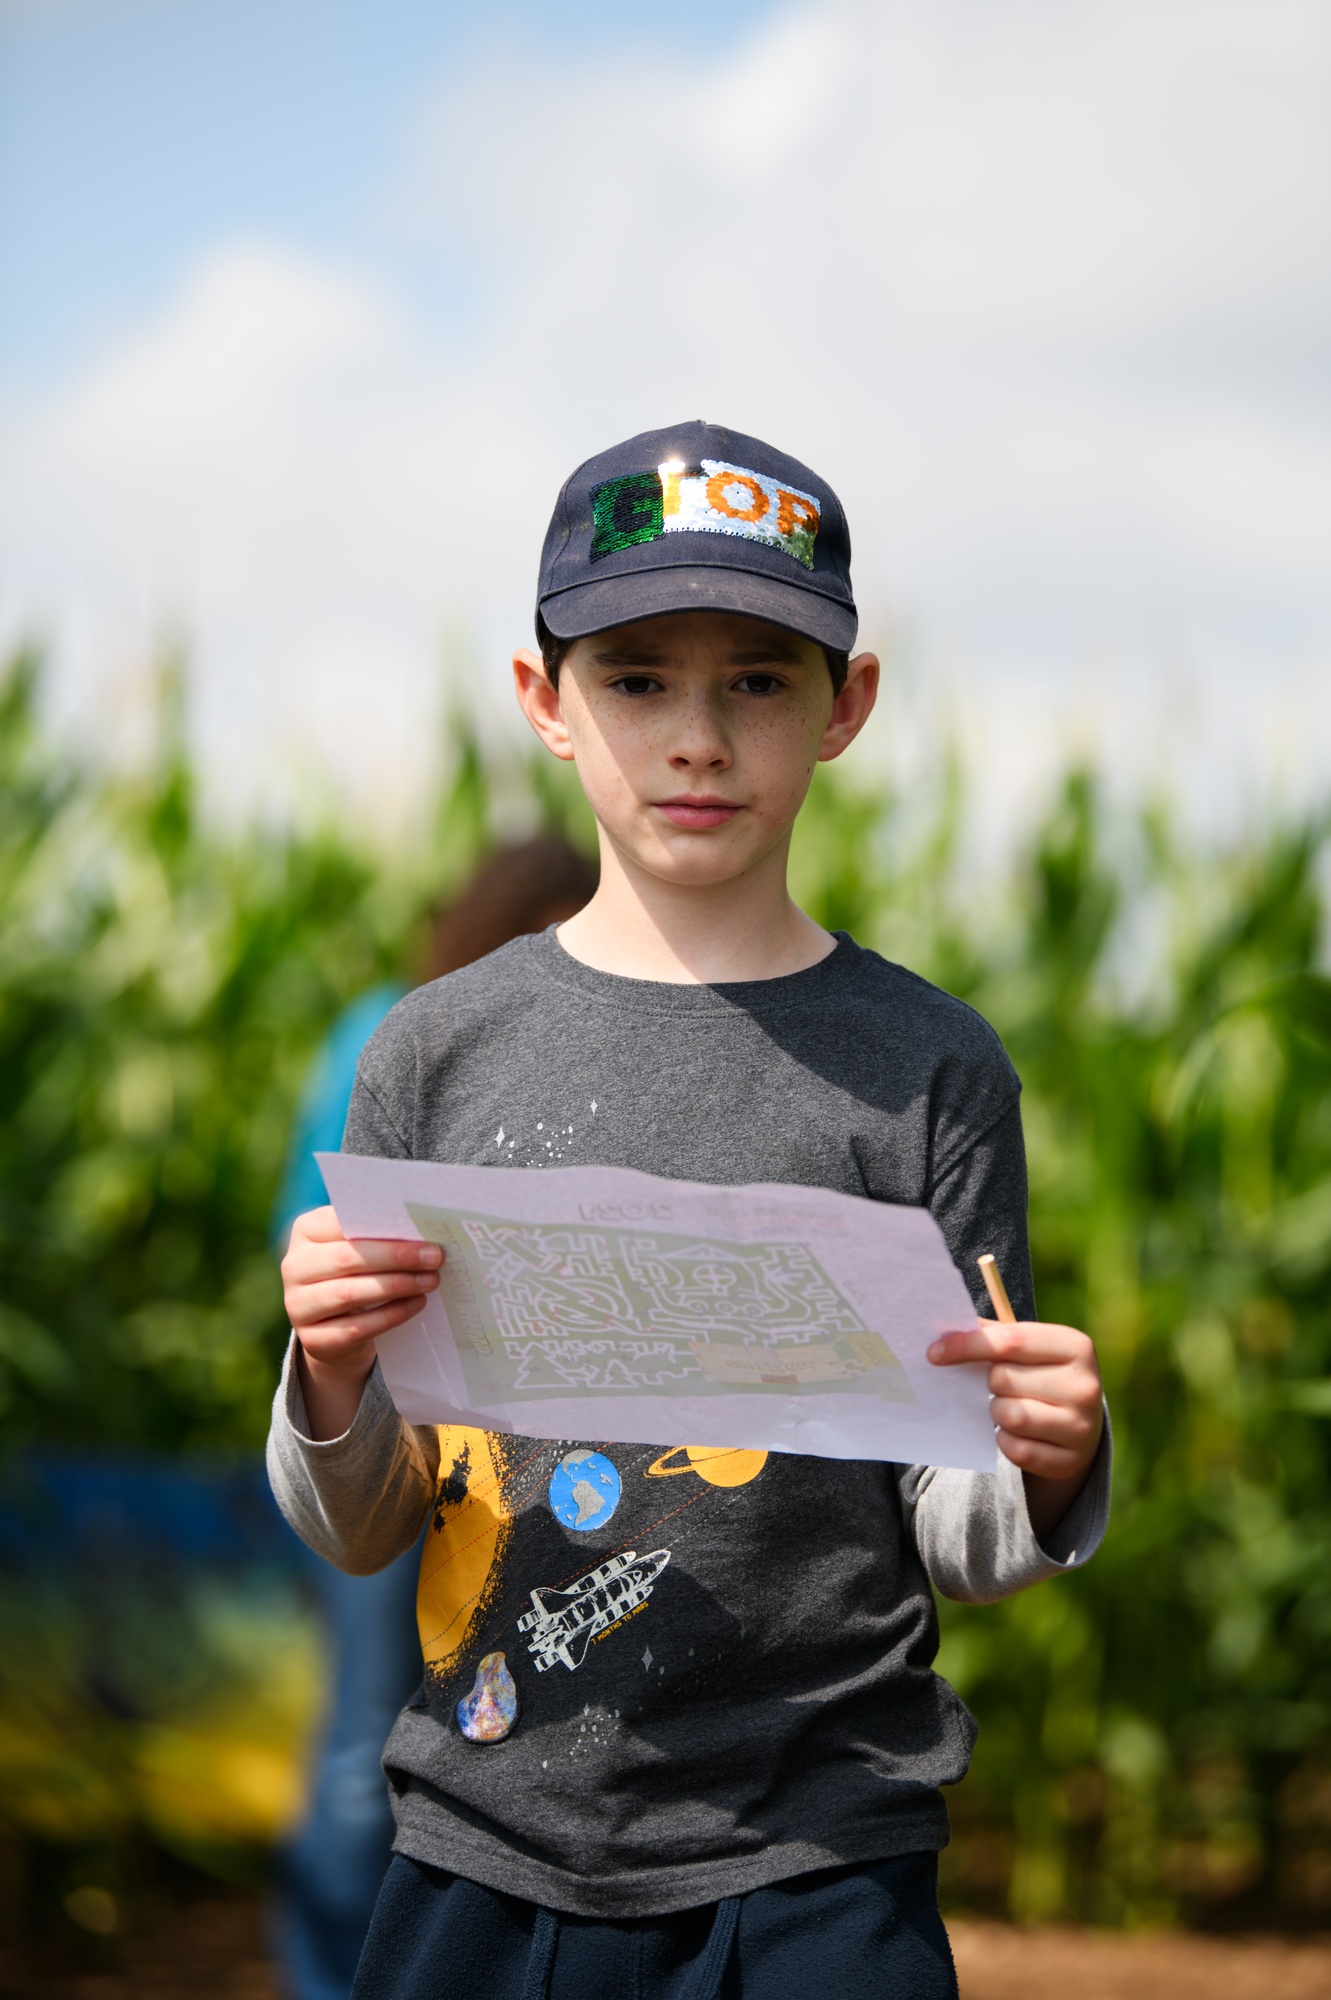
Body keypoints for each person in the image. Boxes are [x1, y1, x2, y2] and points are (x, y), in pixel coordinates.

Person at [268, 422, 1110, 1999]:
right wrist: (324, 1376)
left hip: (823, 1866)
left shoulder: (929, 1070)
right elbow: (369, 1520)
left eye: (758, 681)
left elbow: (955, 1521)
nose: (698, 739)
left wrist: (1046, 1463)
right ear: (544, 702)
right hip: (481, 1846)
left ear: (844, 705)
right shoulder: (432, 1055)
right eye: (638, 679)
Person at [270, 838, 598, 2000]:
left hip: (523, 1459)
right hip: (389, 1435)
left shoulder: (583, 1049)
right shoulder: (396, 1037)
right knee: (366, 1740)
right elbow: (311, 1241)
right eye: (538, 934)